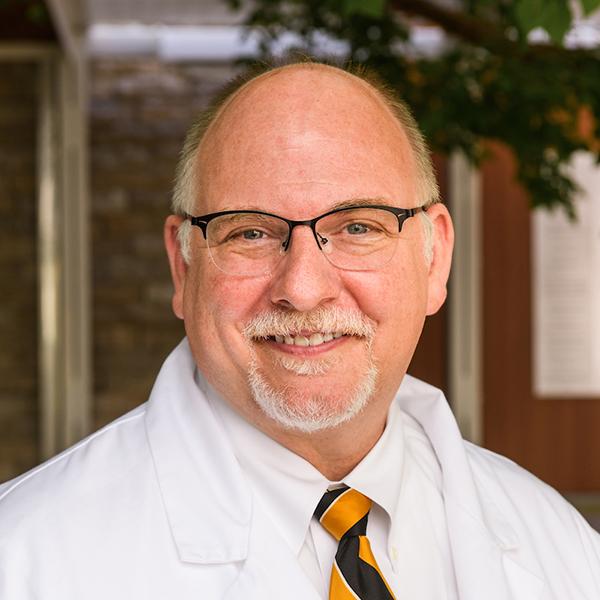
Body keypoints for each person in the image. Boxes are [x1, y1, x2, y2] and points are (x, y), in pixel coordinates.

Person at [1, 60, 599, 600]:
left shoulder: (565, 550)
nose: (304, 288)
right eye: (250, 232)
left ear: (434, 258)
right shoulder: (26, 558)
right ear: (183, 267)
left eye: (358, 227)